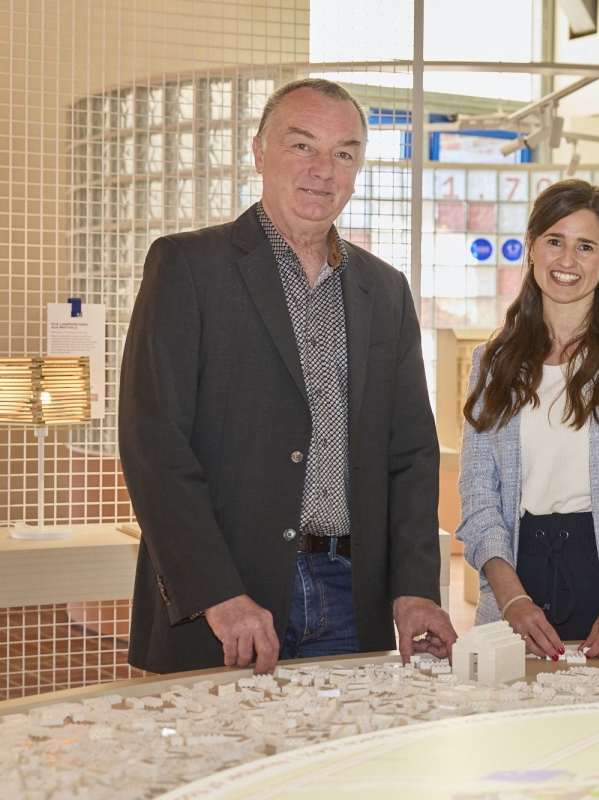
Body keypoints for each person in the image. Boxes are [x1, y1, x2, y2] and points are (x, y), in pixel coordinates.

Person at [119, 78, 456, 675]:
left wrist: (415, 587)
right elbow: (154, 445)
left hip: (353, 596)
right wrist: (218, 593)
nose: (323, 170)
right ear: (258, 153)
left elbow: (410, 453)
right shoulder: (188, 267)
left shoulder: (385, 290)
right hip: (229, 604)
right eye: (302, 146)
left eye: (344, 153)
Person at [457, 179, 599, 659]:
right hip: (516, 591)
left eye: (586, 246)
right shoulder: (492, 361)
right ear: (531, 247)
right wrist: (512, 599)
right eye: (554, 241)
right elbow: (478, 495)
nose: (568, 260)